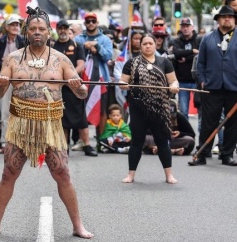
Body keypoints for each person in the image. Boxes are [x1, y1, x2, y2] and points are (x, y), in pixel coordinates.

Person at [0, 7, 93, 239]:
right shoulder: (12, 58)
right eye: (33, 29)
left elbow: (82, 94)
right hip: (20, 124)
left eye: (42, 29)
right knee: (8, 173)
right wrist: (0, 84)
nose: (37, 32)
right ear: (26, 31)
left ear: (48, 32)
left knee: (62, 173)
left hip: (51, 125)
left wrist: (77, 86)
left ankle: (78, 226)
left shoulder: (61, 60)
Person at [119, 34, 179, 184]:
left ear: (155, 45)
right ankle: (131, 175)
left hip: (160, 107)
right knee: (137, 141)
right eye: (144, 43)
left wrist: (174, 86)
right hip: (138, 107)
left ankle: (169, 175)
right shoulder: (131, 63)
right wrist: (123, 85)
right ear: (140, 46)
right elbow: (123, 81)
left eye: (150, 43)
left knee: (162, 141)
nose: (147, 46)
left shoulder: (165, 62)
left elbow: (173, 80)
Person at [189, 5, 237, 166]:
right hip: (212, 87)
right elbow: (200, 63)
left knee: (233, 124)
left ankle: (227, 155)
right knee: (208, 122)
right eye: (223, 17)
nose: (227, 19)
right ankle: (202, 153)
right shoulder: (207, 38)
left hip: (234, 87)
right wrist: (203, 81)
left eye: (230, 17)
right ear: (218, 20)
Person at [53, 19, 97, 156]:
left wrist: (70, 76)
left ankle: (87, 146)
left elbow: (81, 65)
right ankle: (64, 147)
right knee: (63, 119)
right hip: (60, 87)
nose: (62, 31)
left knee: (81, 118)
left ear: (68, 30)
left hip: (75, 86)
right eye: (60, 28)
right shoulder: (53, 47)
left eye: (65, 28)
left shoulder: (77, 45)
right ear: (57, 30)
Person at [74, 12, 113, 147]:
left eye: (93, 21)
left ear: (96, 23)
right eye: (88, 21)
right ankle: (82, 140)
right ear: (85, 23)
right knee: (81, 110)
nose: (91, 23)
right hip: (82, 79)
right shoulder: (78, 39)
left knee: (101, 110)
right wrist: (85, 48)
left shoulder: (105, 39)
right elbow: (74, 57)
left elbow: (108, 56)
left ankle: (100, 141)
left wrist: (97, 47)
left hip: (101, 80)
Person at [0, 16, 25, 154]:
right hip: (4, 80)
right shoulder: (0, 42)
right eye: (12, 25)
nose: (15, 27)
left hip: (21, 81)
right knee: (4, 111)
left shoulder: (23, 41)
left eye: (17, 25)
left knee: (21, 111)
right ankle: (4, 141)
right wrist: (6, 64)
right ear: (7, 27)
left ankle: (20, 141)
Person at [172, 17, 201, 119]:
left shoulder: (199, 40)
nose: (185, 29)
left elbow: (201, 55)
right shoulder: (177, 41)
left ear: (192, 27)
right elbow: (176, 53)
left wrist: (186, 58)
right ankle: (186, 134)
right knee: (183, 111)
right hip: (182, 81)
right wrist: (192, 51)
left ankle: (201, 134)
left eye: (187, 26)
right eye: (183, 26)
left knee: (201, 110)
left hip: (197, 81)